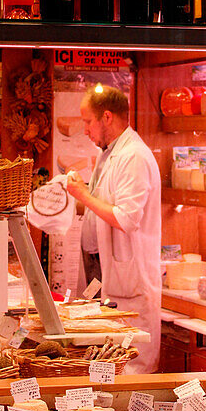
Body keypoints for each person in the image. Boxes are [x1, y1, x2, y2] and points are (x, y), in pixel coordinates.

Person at [66, 84, 162, 373]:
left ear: (107, 117)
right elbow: (99, 207)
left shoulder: (133, 156)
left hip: (131, 288)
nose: (85, 130)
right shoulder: (110, 154)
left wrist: (82, 194)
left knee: (133, 375)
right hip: (107, 283)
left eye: (87, 122)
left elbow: (126, 219)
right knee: (110, 375)